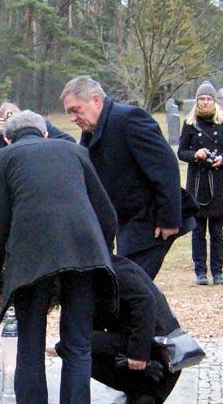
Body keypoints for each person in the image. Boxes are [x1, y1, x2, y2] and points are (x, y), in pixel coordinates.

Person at [0, 110, 117, 404]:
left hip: (32, 259)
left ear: (8, 138)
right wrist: (103, 255)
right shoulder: (74, 152)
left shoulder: (0, 160)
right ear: (43, 132)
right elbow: (107, 215)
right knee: (78, 346)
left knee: (30, 344)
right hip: (83, 255)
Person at [61, 75, 186, 279]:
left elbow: (165, 167)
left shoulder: (128, 119)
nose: (72, 118)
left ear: (96, 101)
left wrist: (169, 219)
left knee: (131, 285)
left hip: (149, 221)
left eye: (76, 110)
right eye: (69, 113)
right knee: (132, 287)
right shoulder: (90, 133)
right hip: (125, 223)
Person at [49, 255, 182, 404]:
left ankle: (143, 388)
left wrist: (139, 354)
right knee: (80, 346)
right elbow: (99, 320)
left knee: (79, 348)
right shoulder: (107, 268)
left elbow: (145, 301)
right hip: (152, 351)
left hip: (160, 363)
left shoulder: (116, 273)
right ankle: (138, 393)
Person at [177, 81, 223, 285]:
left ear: (214, 100)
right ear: (197, 101)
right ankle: (200, 272)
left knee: (217, 231)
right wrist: (196, 154)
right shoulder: (189, 123)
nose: (205, 102)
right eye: (201, 99)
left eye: (208, 98)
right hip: (198, 180)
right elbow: (181, 152)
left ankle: (218, 272)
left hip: (218, 179)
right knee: (198, 231)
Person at [0, 101, 74, 150]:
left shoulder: (40, 126)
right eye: (9, 120)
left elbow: (70, 141)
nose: (15, 123)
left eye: (17, 118)